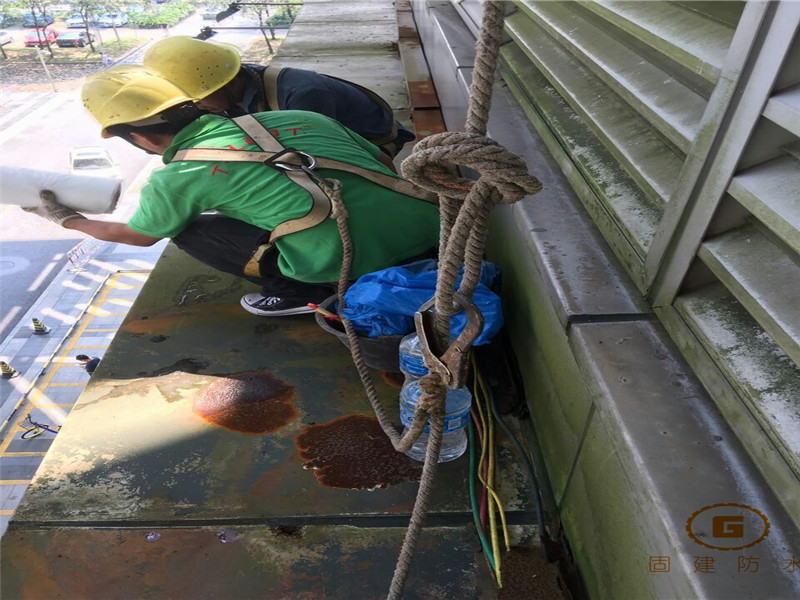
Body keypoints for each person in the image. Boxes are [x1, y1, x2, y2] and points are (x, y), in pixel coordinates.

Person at [24, 65, 439, 318]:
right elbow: (381, 163)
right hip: (429, 232)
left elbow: (140, 236)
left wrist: (67, 219)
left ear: (136, 137)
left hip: (348, 263)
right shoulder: (299, 115)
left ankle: (302, 292)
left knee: (186, 229)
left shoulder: (178, 177)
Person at [141, 36, 415, 158]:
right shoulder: (231, 94)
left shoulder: (301, 94)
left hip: (372, 143)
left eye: (200, 98)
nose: (200, 106)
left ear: (227, 82)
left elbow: (326, 153)